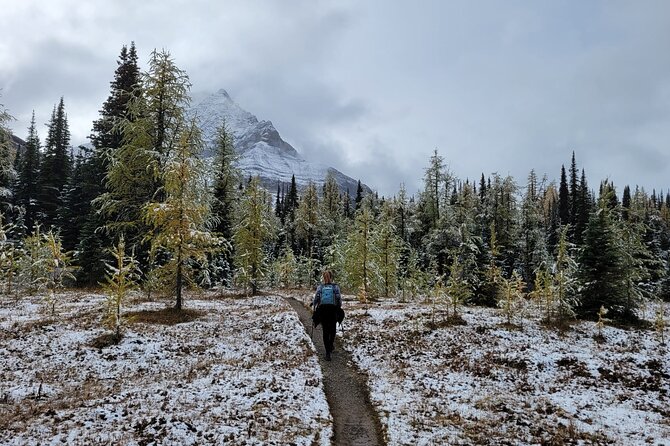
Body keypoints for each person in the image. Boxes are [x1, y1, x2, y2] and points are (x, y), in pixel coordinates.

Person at [312, 270, 342, 361]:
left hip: (323, 310)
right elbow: (338, 298)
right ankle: (331, 345)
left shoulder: (320, 287)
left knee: (325, 330)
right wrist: (339, 307)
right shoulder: (335, 287)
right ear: (331, 277)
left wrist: (314, 306)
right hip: (332, 310)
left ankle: (327, 353)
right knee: (332, 329)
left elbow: (317, 298)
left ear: (323, 277)